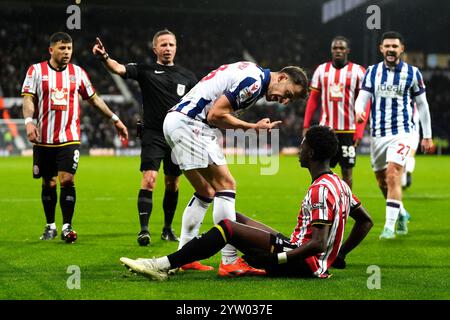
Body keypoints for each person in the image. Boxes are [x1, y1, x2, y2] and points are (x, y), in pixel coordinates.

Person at [119, 125, 373, 281]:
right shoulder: (339, 184)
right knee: (233, 217)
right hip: (302, 252)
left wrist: (278, 260)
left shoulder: (320, 190)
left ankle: (162, 265)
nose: (299, 149)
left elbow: (317, 243)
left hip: (303, 263)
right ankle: (217, 261)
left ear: (313, 153)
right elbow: (365, 221)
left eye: (303, 145)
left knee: (228, 229)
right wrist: (339, 255)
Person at [162, 61, 308, 276]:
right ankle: (229, 261)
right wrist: (253, 128)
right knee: (226, 185)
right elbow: (215, 115)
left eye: (289, 99)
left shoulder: (250, 71)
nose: (284, 101)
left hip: (176, 120)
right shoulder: (254, 83)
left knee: (206, 191)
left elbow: (217, 112)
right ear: (282, 77)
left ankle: (186, 256)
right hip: (191, 124)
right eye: (287, 93)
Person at [92, 30, 198, 247]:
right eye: (163, 45)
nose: (168, 48)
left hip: (178, 137)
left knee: (172, 183)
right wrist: (104, 58)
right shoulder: (145, 70)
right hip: (153, 134)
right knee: (149, 179)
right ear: (155, 49)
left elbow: (197, 105)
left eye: (171, 44)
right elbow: (119, 68)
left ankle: (168, 229)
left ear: (176, 47)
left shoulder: (188, 77)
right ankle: (144, 230)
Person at [21, 32, 128, 242]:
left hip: (69, 137)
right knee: (48, 182)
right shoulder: (36, 71)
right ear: (51, 50)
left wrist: (115, 118)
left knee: (67, 180)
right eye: (62, 48)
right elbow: (28, 99)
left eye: (69, 49)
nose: (67, 52)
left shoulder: (77, 73)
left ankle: (67, 227)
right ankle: (50, 225)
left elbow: (94, 99)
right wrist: (28, 122)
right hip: (43, 138)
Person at [355, 31, 433, 239]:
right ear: (381, 48)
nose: (391, 49)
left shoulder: (412, 73)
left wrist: (427, 135)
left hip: (403, 133)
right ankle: (401, 213)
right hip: (379, 135)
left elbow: (422, 105)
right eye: (387, 46)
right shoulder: (372, 72)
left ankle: (389, 228)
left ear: (401, 49)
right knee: (382, 182)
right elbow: (362, 98)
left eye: (394, 46)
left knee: (393, 174)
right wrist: (358, 110)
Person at [303, 36, 369, 189]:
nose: (338, 51)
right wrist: (306, 125)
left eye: (341, 48)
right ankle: (322, 203)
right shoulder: (321, 70)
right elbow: (313, 100)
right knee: (321, 171)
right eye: (335, 48)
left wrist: (359, 132)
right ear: (331, 50)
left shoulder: (358, 71)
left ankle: (344, 208)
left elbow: (365, 103)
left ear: (347, 51)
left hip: (349, 131)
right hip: (326, 131)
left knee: (347, 171)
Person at [402, 105, 420, 189]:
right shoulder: (418, 101)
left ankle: (403, 178)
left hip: (404, 131)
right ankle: (409, 170)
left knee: (402, 155)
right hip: (415, 132)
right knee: (411, 154)